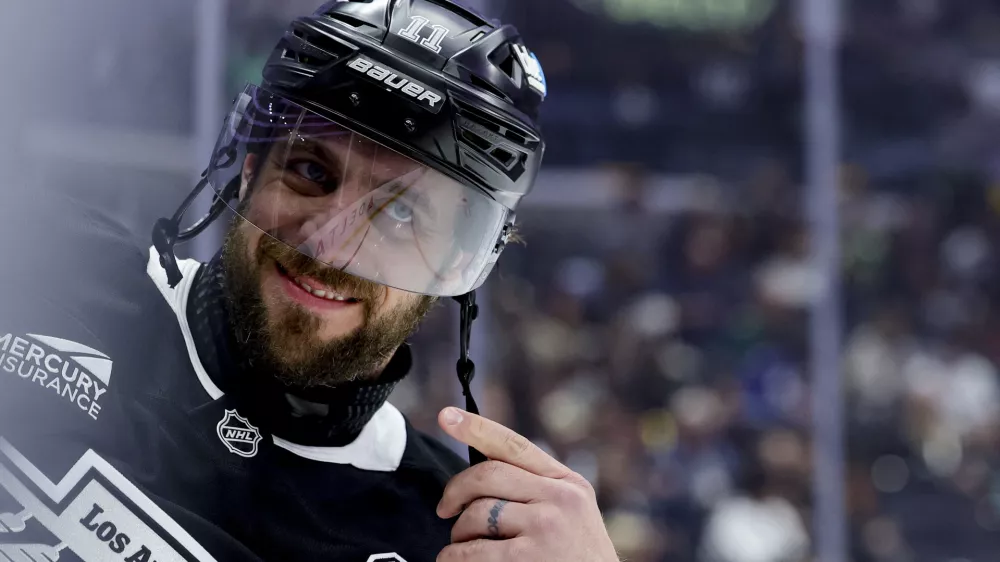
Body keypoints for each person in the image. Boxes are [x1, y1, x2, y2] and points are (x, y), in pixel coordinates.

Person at [0, 1, 622, 561]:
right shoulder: (37, 265)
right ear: (248, 169)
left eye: (400, 213)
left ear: (458, 265)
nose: (331, 243)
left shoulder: (455, 539)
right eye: (308, 170)